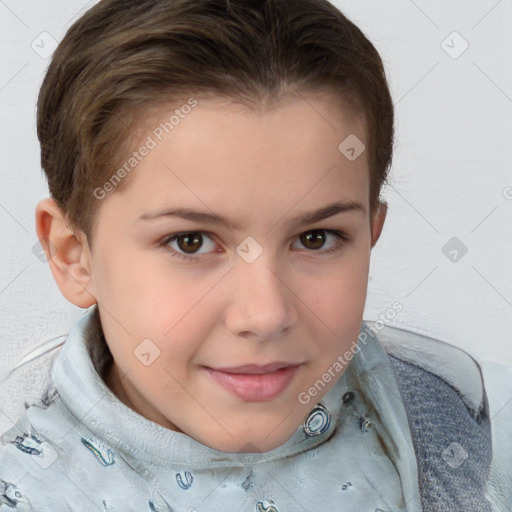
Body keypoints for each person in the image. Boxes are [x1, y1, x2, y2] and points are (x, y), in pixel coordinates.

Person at [0, 0, 511, 510]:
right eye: (191, 242)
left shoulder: (446, 418)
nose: (266, 315)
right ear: (74, 256)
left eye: (316, 238)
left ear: (371, 233)